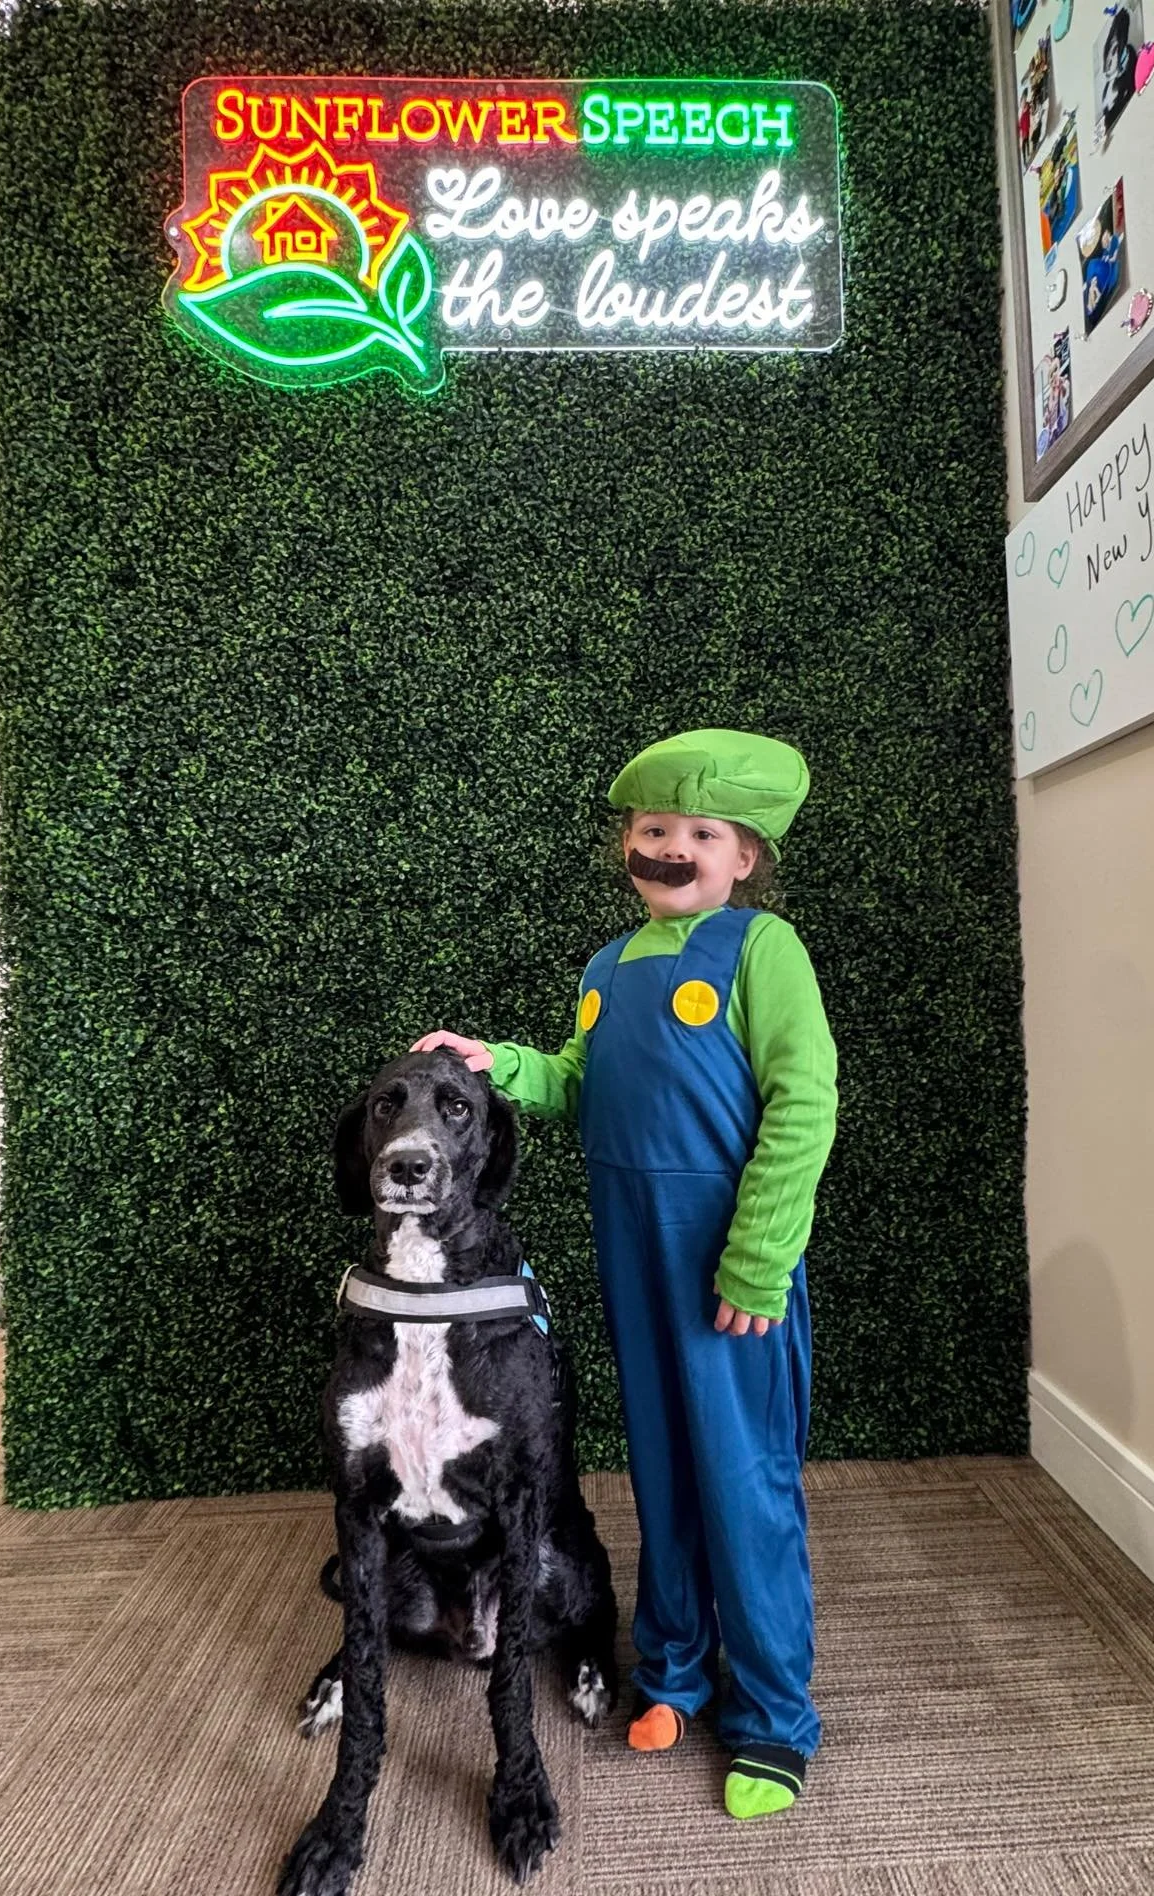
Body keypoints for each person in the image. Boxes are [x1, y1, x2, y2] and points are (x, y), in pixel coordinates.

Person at [413, 729, 839, 1821]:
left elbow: (804, 1102)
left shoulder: (761, 951)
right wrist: (494, 1065)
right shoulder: (608, 967)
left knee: (743, 1482)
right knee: (661, 1468)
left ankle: (775, 1719)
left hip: (726, 1259)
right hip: (633, 1255)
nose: (671, 847)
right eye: (653, 829)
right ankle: (677, 1670)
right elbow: (573, 1080)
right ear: (627, 844)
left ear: (744, 858)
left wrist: (758, 1257)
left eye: (701, 834)